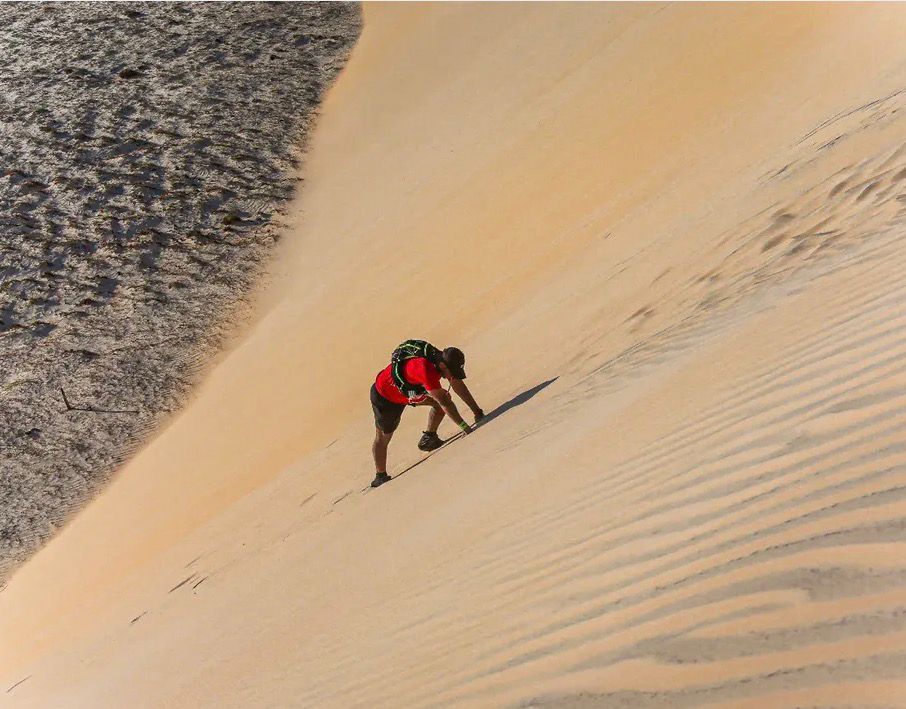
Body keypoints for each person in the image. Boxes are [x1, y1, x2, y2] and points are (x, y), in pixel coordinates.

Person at [370, 340, 484, 488]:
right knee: (383, 437)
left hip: (409, 391)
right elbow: (445, 403)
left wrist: (477, 412)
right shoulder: (425, 369)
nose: (453, 377)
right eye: (452, 373)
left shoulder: (439, 358)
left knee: (437, 403)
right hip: (385, 396)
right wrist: (466, 428)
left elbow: (456, 383)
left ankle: (429, 438)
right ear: (443, 366)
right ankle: (380, 476)